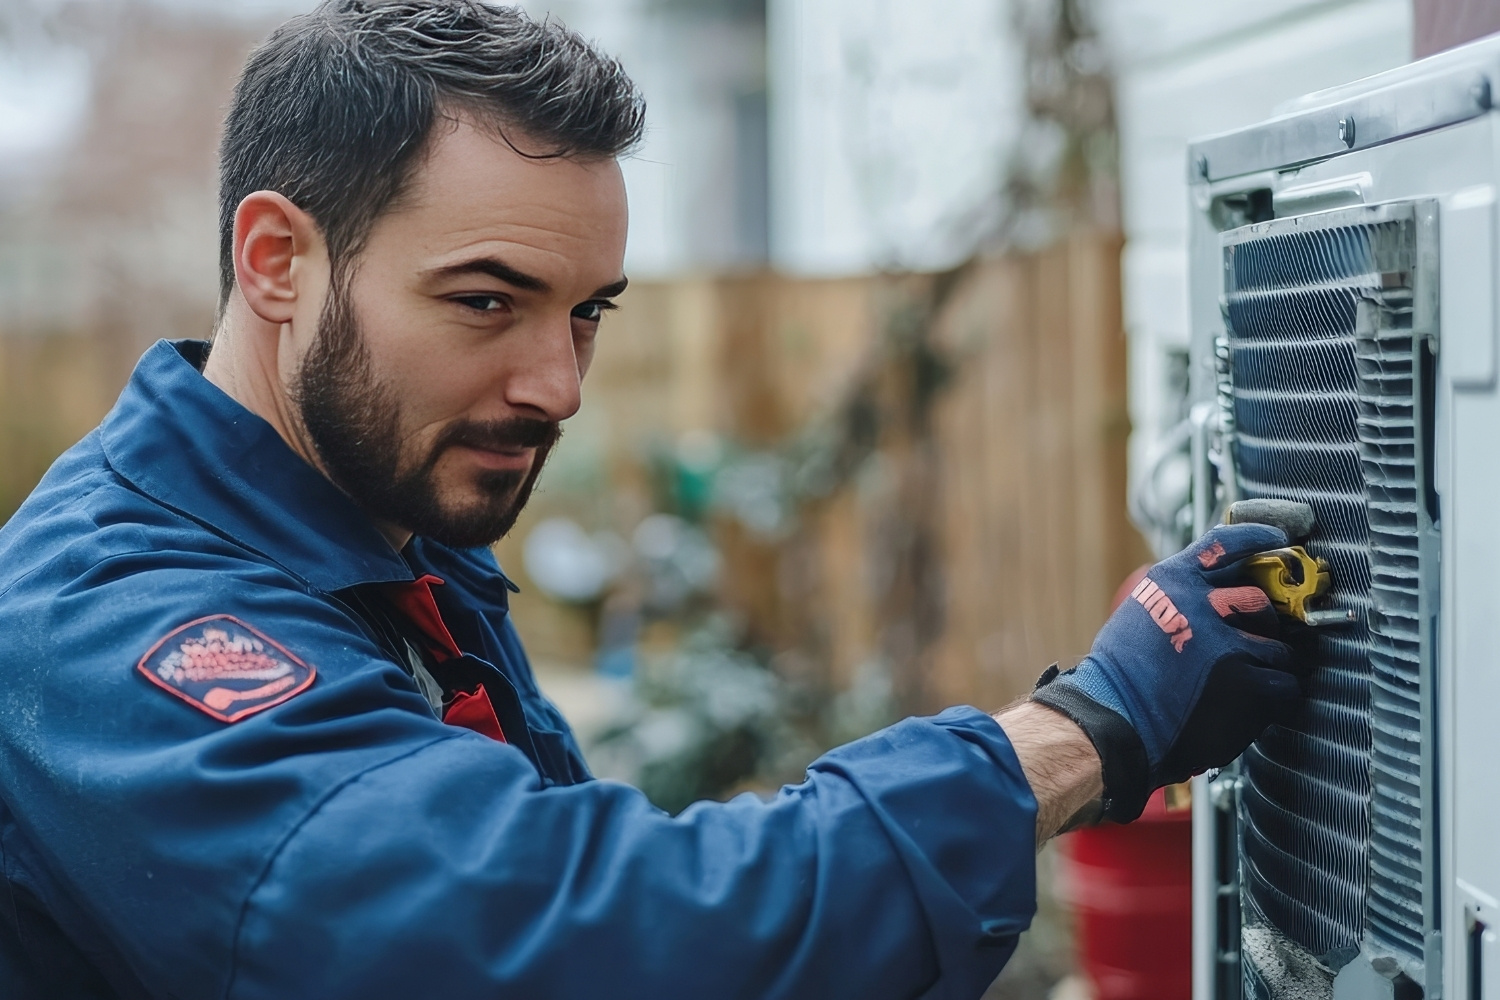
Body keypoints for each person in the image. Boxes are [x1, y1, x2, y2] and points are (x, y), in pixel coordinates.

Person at [0, 3, 1307, 997]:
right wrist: (1083, 733)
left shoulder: (381, 534)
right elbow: (575, 935)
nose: (557, 384)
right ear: (278, 260)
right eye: (487, 301)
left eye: (587, 315)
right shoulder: (121, 626)